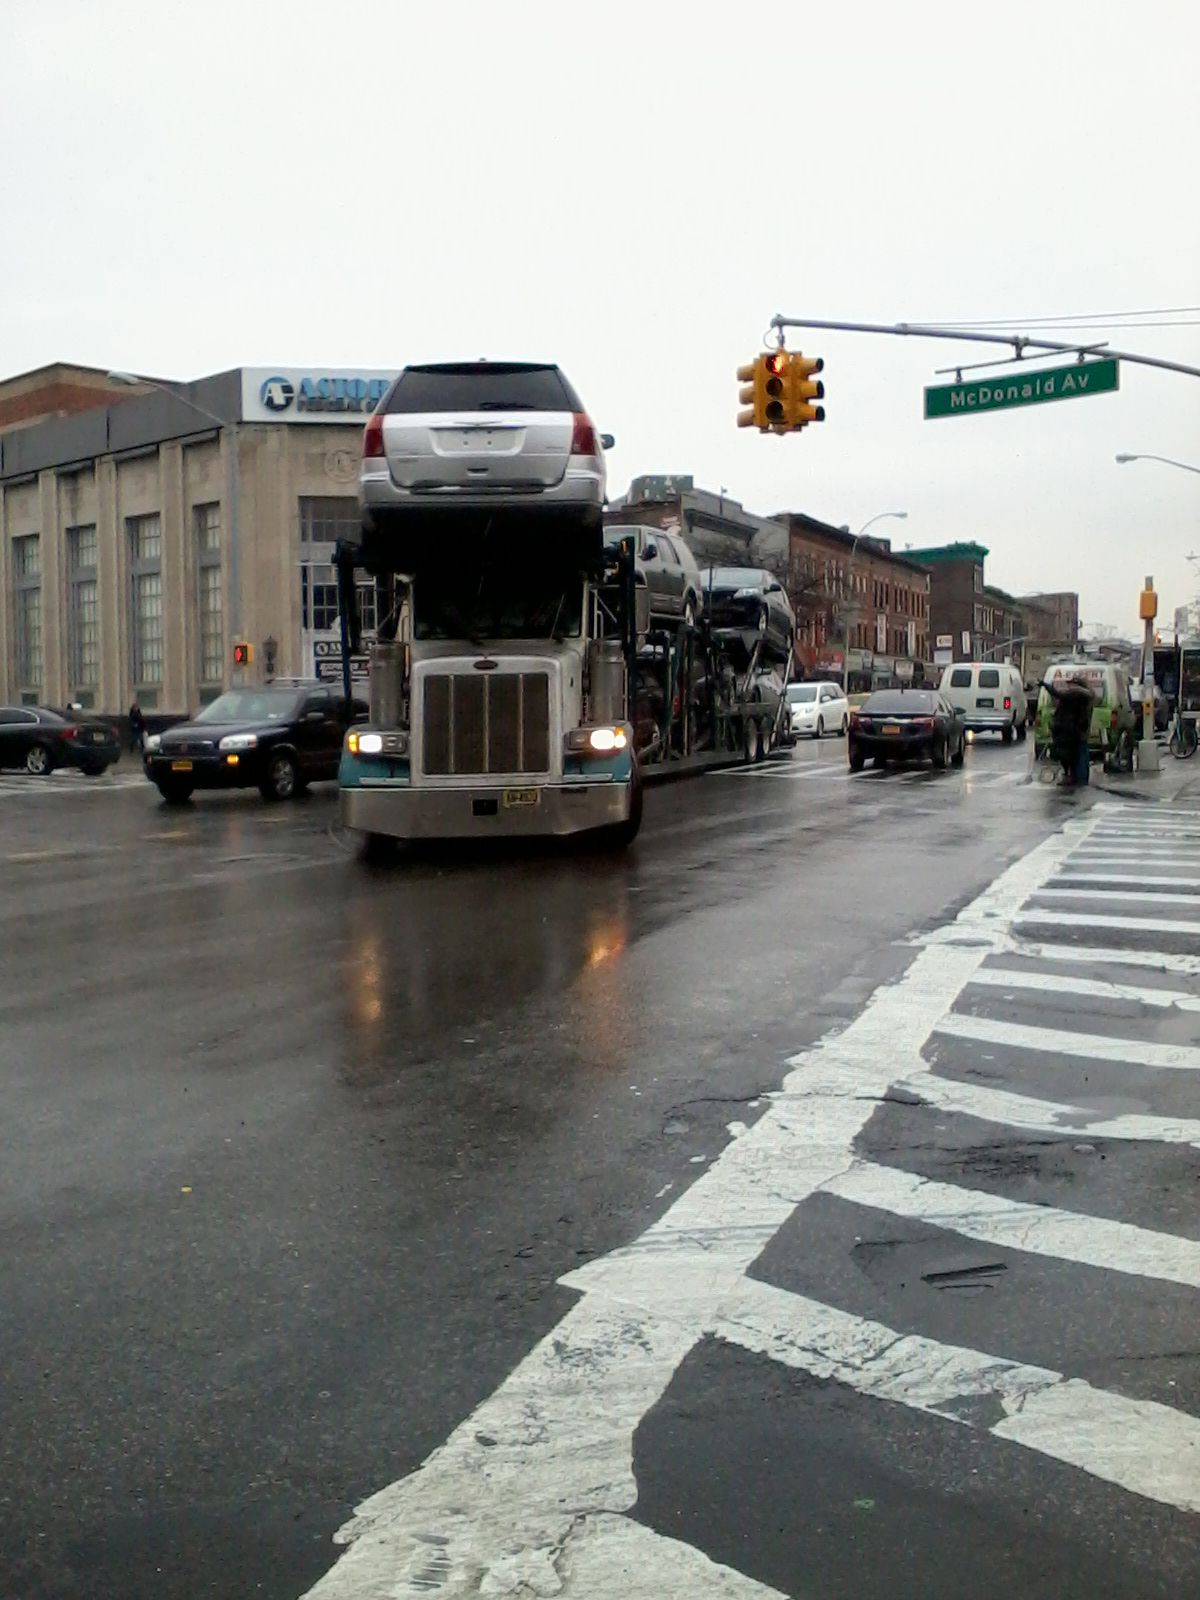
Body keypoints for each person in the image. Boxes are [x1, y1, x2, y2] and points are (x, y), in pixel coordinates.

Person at [1044, 677, 1093, 787]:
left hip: (1074, 731)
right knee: (1079, 755)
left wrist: (1046, 686)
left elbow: (1058, 695)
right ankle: (1078, 778)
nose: (1068, 687)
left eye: (1070, 684)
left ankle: (1077, 779)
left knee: (1073, 756)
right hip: (1078, 731)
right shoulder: (1085, 696)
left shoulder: (1076, 694)